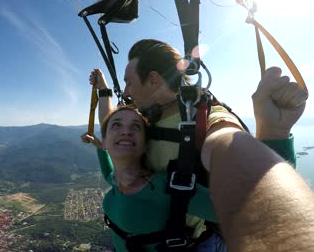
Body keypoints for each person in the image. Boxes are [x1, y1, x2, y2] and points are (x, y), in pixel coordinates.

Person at [89, 39, 314, 251]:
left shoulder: (204, 118)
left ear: (153, 80)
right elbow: (111, 125)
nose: (124, 91)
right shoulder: (146, 115)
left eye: (128, 81)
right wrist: (102, 91)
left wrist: (272, 133)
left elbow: (232, 150)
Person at [82, 106, 220, 251]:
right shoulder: (115, 180)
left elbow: (233, 214)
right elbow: (106, 171)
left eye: (135, 127)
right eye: (116, 125)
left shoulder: (166, 186)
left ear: (145, 145)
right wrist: (98, 146)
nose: (126, 131)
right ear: (105, 142)